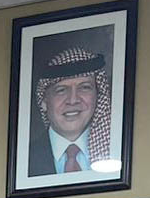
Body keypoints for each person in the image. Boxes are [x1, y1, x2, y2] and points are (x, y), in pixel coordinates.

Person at [28, 48, 112, 176]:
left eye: (84, 88)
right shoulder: (25, 158)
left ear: (98, 95)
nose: (73, 100)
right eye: (61, 90)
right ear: (44, 101)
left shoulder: (116, 151)